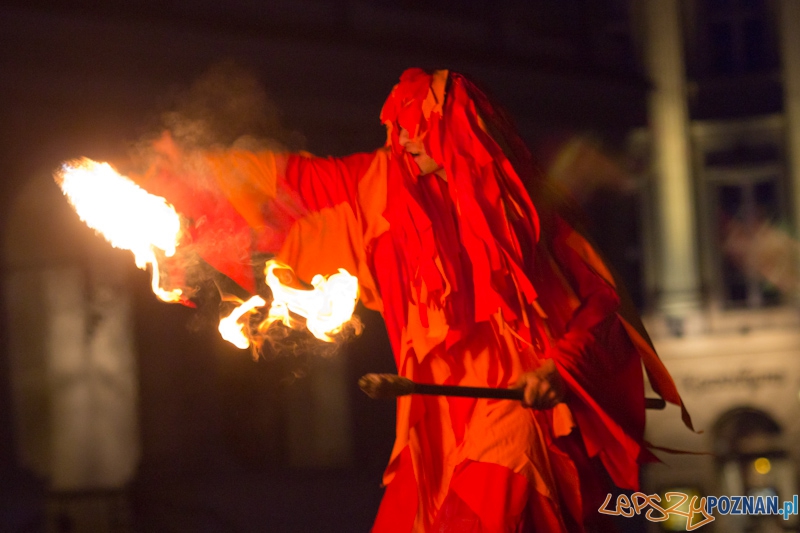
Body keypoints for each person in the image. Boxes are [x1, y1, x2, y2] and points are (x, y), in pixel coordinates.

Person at [134, 68, 691, 532]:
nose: (402, 140)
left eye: (414, 128)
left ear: (458, 129)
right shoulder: (383, 187)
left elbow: (600, 301)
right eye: (396, 130)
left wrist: (561, 367)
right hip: (433, 420)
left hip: (517, 410)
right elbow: (299, 186)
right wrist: (188, 185)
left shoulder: (531, 205)